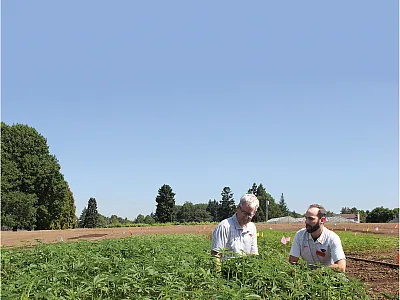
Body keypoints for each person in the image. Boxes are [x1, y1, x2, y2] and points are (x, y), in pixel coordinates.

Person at [288, 204, 346, 272]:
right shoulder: (300, 235)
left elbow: (341, 267)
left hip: (328, 276)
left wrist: (315, 273)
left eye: (311, 219)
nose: (306, 222)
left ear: (322, 220)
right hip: (307, 276)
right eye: (306, 218)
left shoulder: (332, 238)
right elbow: (292, 262)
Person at [211, 194, 259, 270]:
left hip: (245, 273)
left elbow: (254, 253)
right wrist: (218, 277)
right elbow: (216, 255)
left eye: (250, 214)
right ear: (238, 208)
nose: (246, 217)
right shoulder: (224, 226)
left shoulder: (252, 227)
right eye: (244, 213)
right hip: (227, 273)